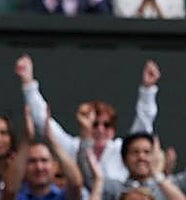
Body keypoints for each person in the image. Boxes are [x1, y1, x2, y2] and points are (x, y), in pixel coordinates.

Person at [16, 54, 159, 186]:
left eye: (107, 125)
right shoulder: (73, 147)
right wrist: (28, 82)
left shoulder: (120, 150)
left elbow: (142, 128)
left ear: (113, 130)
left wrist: (148, 89)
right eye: (94, 124)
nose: (100, 129)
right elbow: (42, 121)